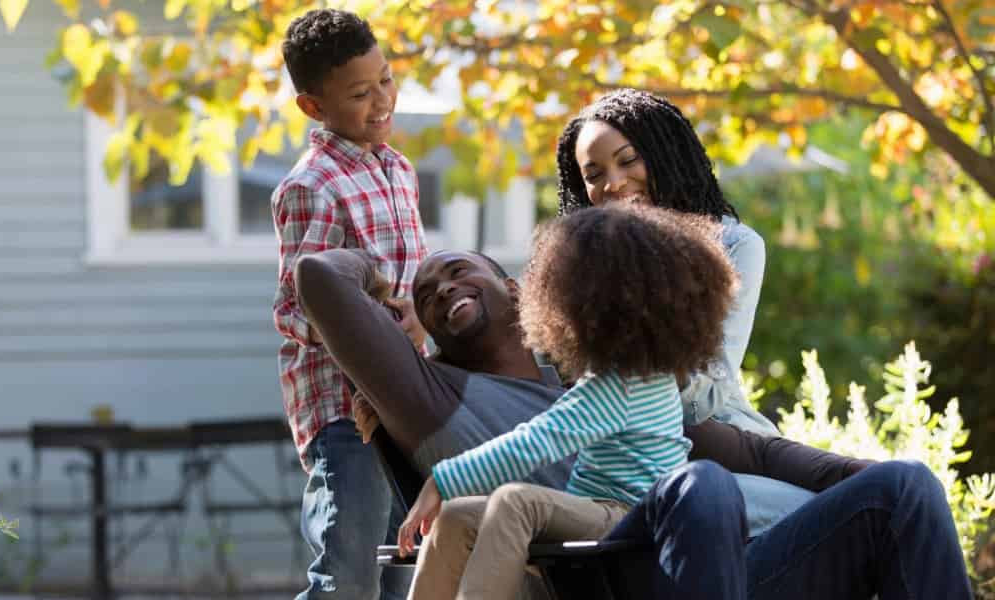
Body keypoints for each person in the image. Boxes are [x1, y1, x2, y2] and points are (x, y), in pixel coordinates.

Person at [294, 247, 971, 599]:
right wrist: (381, 282)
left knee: (906, 486)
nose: (442, 288)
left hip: (732, 569)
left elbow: (746, 449)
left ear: (519, 291)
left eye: (458, 270)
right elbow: (320, 275)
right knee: (700, 485)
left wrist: (853, 472)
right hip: (614, 576)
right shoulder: (432, 393)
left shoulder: (601, 377)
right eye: (426, 295)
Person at [396, 204, 739, 600]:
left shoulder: (626, 384)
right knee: (457, 515)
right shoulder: (623, 374)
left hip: (630, 519)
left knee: (516, 501)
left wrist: (442, 480)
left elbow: (536, 441)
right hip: (596, 511)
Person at [555, 88, 809, 533]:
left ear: (665, 153)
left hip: (727, 447)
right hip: (624, 470)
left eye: (628, 160)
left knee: (839, 509)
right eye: (593, 174)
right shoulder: (578, 269)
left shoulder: (734, 246)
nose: (613, 183)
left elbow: (707, 395)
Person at [272, 9, 429, 599]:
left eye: (386, 79)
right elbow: (294, 311)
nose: (382, 99)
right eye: (361, 94)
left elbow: (411, 279)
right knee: (349, 574)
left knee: (404, 568)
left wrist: (421, 314)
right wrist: (377, 327)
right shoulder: (310, 187)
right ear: (314, 106)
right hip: (345, 412)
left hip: (408, 403)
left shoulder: (398, 169)